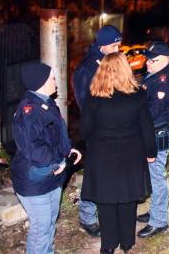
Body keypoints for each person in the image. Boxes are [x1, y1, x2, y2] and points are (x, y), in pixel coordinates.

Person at [80, 52, 156, 254]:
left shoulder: (93, 97)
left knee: (105, 201)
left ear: (102, 71)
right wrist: (151, 151)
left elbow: (85, 129)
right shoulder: (138, 95)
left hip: (101, 156)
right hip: (130, 155)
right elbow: (146, 127)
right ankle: (127, 242)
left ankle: (108, 245)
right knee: (128, 199)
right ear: (125, 69)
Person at [11, 62, 82, 254]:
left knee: (50, 220)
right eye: (52, 78)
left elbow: (56, 135)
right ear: (40, 81)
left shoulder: (46, 103)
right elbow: (33, 148)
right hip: (34, 178)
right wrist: (57, 161)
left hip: (50, 175)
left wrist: (69, 151)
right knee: (41, 228)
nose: (56, 81)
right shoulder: (29, 111)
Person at [72, 25, 122, 237]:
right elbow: (87, 104)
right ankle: (87, 216)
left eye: (119, 44)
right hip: (98, 131)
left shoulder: (110, 61)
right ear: (102, 46)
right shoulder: (87, 70)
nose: (118, 48)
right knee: (96, 174)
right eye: (114, 45)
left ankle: (109, 209)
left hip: (114, 128)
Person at [136, 41, 169, 238]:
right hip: (153, 134)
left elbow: (152, 112)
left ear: (165, 60)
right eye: (147, 59)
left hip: (158, 135)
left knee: (157, 177)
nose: (147, 63)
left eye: (152, 60)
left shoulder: (163, 81)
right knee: (153, 177)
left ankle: (159, 221)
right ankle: (155, 211)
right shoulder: (155, 75)